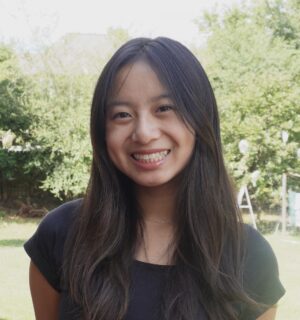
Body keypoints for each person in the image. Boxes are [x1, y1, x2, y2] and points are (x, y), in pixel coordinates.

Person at [24, 37, 285, 320]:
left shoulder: (250, 257)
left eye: (164, 108)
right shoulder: (60, 235)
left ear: (200, 118)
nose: (144, 133)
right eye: (122, 114)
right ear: (102, 130)